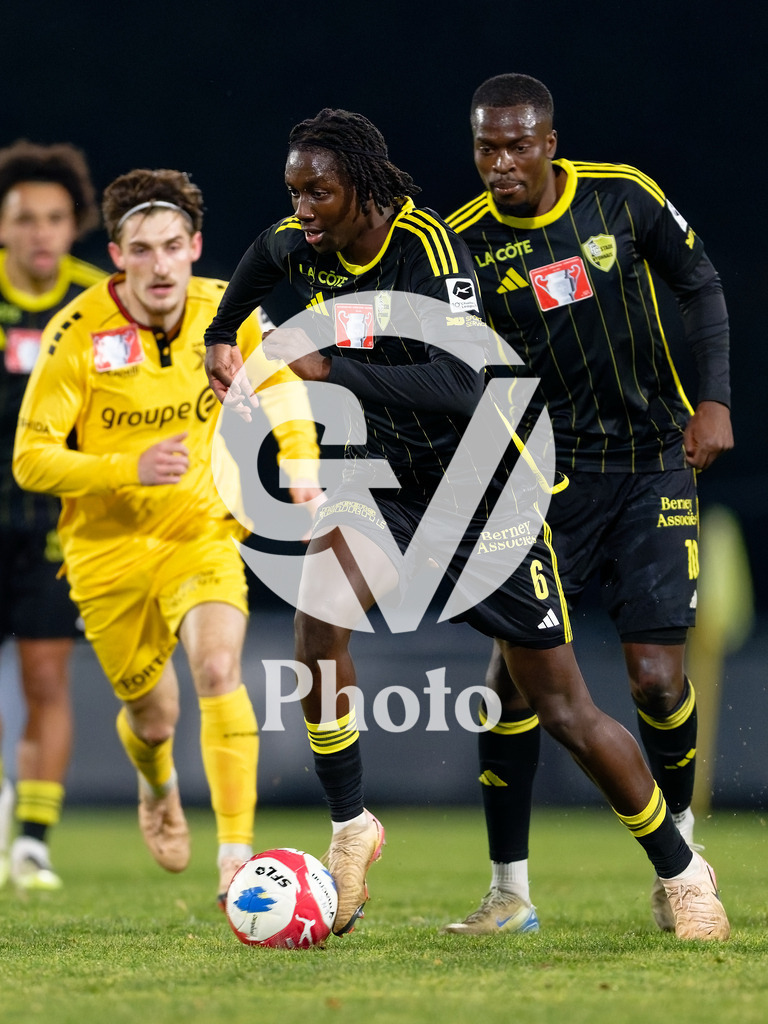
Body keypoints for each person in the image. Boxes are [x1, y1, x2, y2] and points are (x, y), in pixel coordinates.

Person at [203, 107, 729, 941]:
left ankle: (682, 870)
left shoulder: (431, 253)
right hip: (382, 485)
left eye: (319, 192)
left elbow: (460, 385)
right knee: (318, 618)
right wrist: (216, 337)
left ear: (364, 192)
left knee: (565, 710)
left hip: (485, 492)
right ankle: (351, 830)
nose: (301, 208)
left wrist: (324, 369)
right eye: (294, 190)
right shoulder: (299, 239)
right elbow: (256, 266)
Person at [442, 72, 733, 935]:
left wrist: (713, 400)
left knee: (655, 677)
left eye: (517, 145)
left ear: (548, 141)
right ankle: (508, 893)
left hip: (651, 465)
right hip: (542, 485)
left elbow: (702, 285)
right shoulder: (460, 246)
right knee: (510, 690)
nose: (500, 163)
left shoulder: (622, 196)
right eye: (486, 147)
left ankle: (679, 852)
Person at [13, 168, 320, 905]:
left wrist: (303, 467)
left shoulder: (228, 310)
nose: (159, 264)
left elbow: (284, 384)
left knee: (218, 671)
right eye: (141, 249)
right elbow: (30, 457)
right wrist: (126, 466)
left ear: (195, 248)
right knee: (153, 719)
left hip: (201, 533)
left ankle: (236, 860)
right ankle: (157, 787)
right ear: (117, 256)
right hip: (106, 554)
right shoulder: (78, 332)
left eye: (173, 247)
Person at [0, 139, 105, 890]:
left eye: (55, 218)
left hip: (54, 527)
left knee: (45, 681)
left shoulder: (99, 304)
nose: (40, 232)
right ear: (2, 227)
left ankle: (31, 842)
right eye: (25, 218)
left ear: (76, 225)